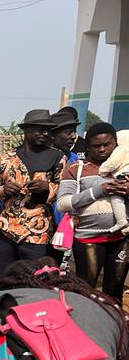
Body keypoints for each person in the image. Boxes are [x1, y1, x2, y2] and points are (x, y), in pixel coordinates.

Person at [56, 122, 129, 301]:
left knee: (115, 291)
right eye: (97, 146)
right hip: (88, 239)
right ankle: (88, 326)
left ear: (116, 145)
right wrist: (99, 190)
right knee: (87, 291)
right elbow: (63, 203)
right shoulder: (76, 169)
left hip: (121, 239)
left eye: (107, 144)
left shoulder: (125, 167)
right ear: (87, 146)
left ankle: (115, 327)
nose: (102, 149)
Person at [0, 109, 64, 279]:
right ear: (26, 130)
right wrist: (3, 191)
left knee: (36, 282)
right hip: (5, 231)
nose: (45, 133)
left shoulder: (57, 157)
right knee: (6, 280)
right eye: (39, 129)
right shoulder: (6, 158)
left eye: (48, 130)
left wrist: (48, 187)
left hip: (37, 234)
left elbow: (66, 191)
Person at [98, 128, 129, 232]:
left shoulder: (122, 149)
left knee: (115, 196)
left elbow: (112, 163)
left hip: (124, 175)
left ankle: (121, 221)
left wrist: (102, 171)